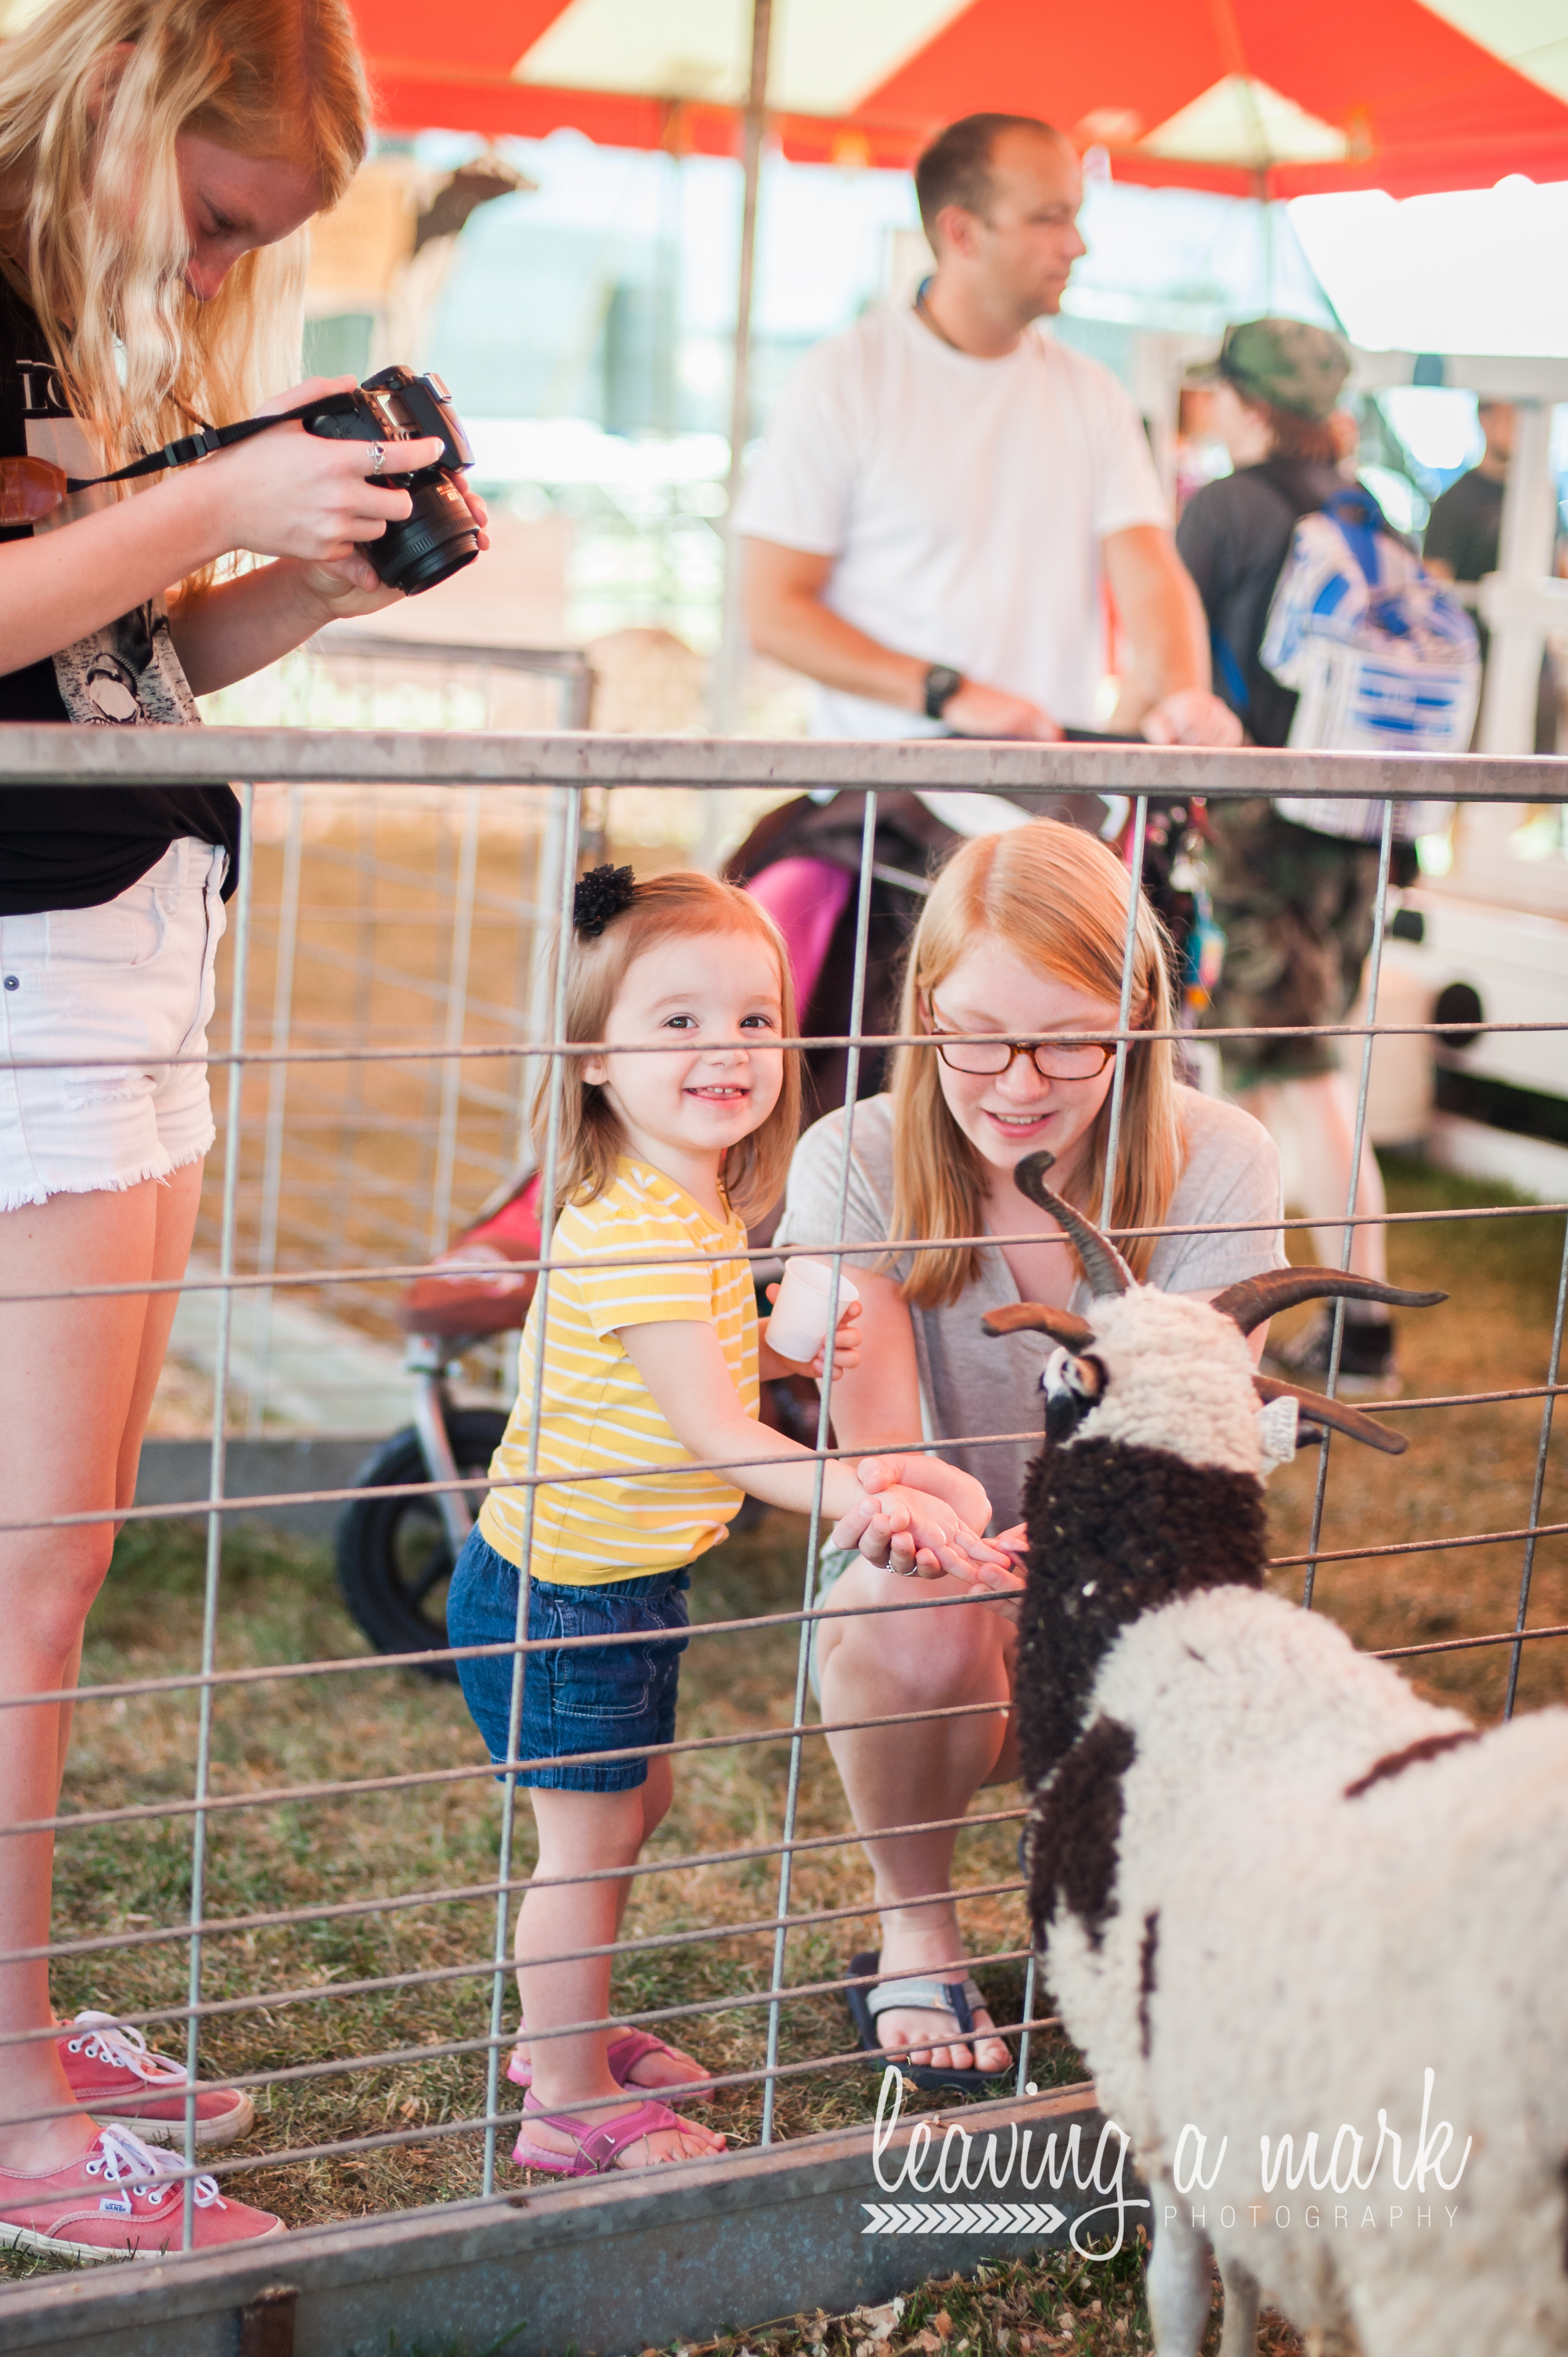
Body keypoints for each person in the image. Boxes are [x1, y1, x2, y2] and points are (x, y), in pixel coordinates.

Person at [0, 0, 487, 2258]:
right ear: (122, 107)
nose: (211, 280)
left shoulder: (75, 320)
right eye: (212, 224)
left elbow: (107, 667)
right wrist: (210, 492)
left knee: (52, 1557)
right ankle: (12, 2108)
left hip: (127, 944)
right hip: (37, 980)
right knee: (27, 1564)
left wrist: (294, 567)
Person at [445, 867, 1006, 2178]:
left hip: (624, 1579)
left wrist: (779, 1335)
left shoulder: (686, 1207)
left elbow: (692, 1373)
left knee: (633, 1803)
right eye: (678, 1022)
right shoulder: (643, 1226)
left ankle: (561, 2029)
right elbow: (717, 1437)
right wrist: (871, 1486)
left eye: (754, 1020)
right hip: (563, 1593)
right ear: (593, 1058)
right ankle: (565, 2098)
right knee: (585, 1840)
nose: (727, 1050)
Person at [774, 820, 1286, 2087]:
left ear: (1141, 1015)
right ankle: (916, 1933)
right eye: (978, 1035)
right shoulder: (858, 1154)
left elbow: (1212, 1444)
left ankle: (1134, 1920)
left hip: (1129, 1586)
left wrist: (1074, 1559)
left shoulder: (1222, 1156)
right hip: (942, 1605)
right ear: (925, 1007)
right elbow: (890, 1463)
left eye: (1070, 1036)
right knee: (917, 1594)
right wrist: (953, 1536)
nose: (1017, 1080)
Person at [736, 112, 1239, 750]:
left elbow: (1149, 571)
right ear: (961, 232)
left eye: (1074, 216)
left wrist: (1184, 697)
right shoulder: (844, 377)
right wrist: (949, 693)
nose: (1075, 244)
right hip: (884, 802)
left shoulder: (1091, 393)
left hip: (1045, 805)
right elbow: (773, 611)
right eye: (1047, 218)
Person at [1176, 318, 1409, 1396]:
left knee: (1299, 1070)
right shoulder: (1371, 509)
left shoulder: (1224, 509)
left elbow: (1180, 672)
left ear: (1245, 400)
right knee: (1281, 1072)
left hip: (1262, 824)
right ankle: (1257, 1296)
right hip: (1361, 826)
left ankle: (1363, 1322)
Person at [1424, 400, 1559, 754]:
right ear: (1485, 419)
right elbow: (1432, 588)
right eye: (1508, 415)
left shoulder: (1542, 497)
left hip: (1536, 666)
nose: (1517, 426)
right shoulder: (1455, 502)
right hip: (1475, 666)